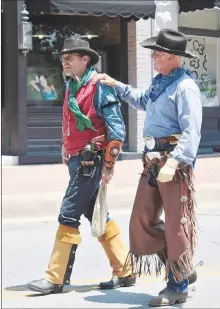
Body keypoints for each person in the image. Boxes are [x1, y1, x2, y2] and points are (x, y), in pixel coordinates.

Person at [93, 29, 202, 306]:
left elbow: (192, 132)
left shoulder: (184, 87)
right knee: (142, 220)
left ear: (170, 56)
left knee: (177, 225)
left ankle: (177, 285)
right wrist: (116, 84)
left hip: (173, 161)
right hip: (153, 160)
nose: (152, 57)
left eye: (156, 53)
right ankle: (183, 265)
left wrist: (177, 161)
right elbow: (141, 100)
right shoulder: (161, 83)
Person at [27, 38, 136, 294]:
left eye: (70, 56)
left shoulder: (99, 86)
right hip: (77, 159)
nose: (65, 60)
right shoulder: (71, 85)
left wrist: (109, 163)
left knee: (68, 213)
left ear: (85, 59)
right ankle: (125, 270)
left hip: (92, 159)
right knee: (96, 214)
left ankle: (56, 278)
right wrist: (65, 145)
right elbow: (69, 121)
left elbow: (117, 128)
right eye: (63, 56)